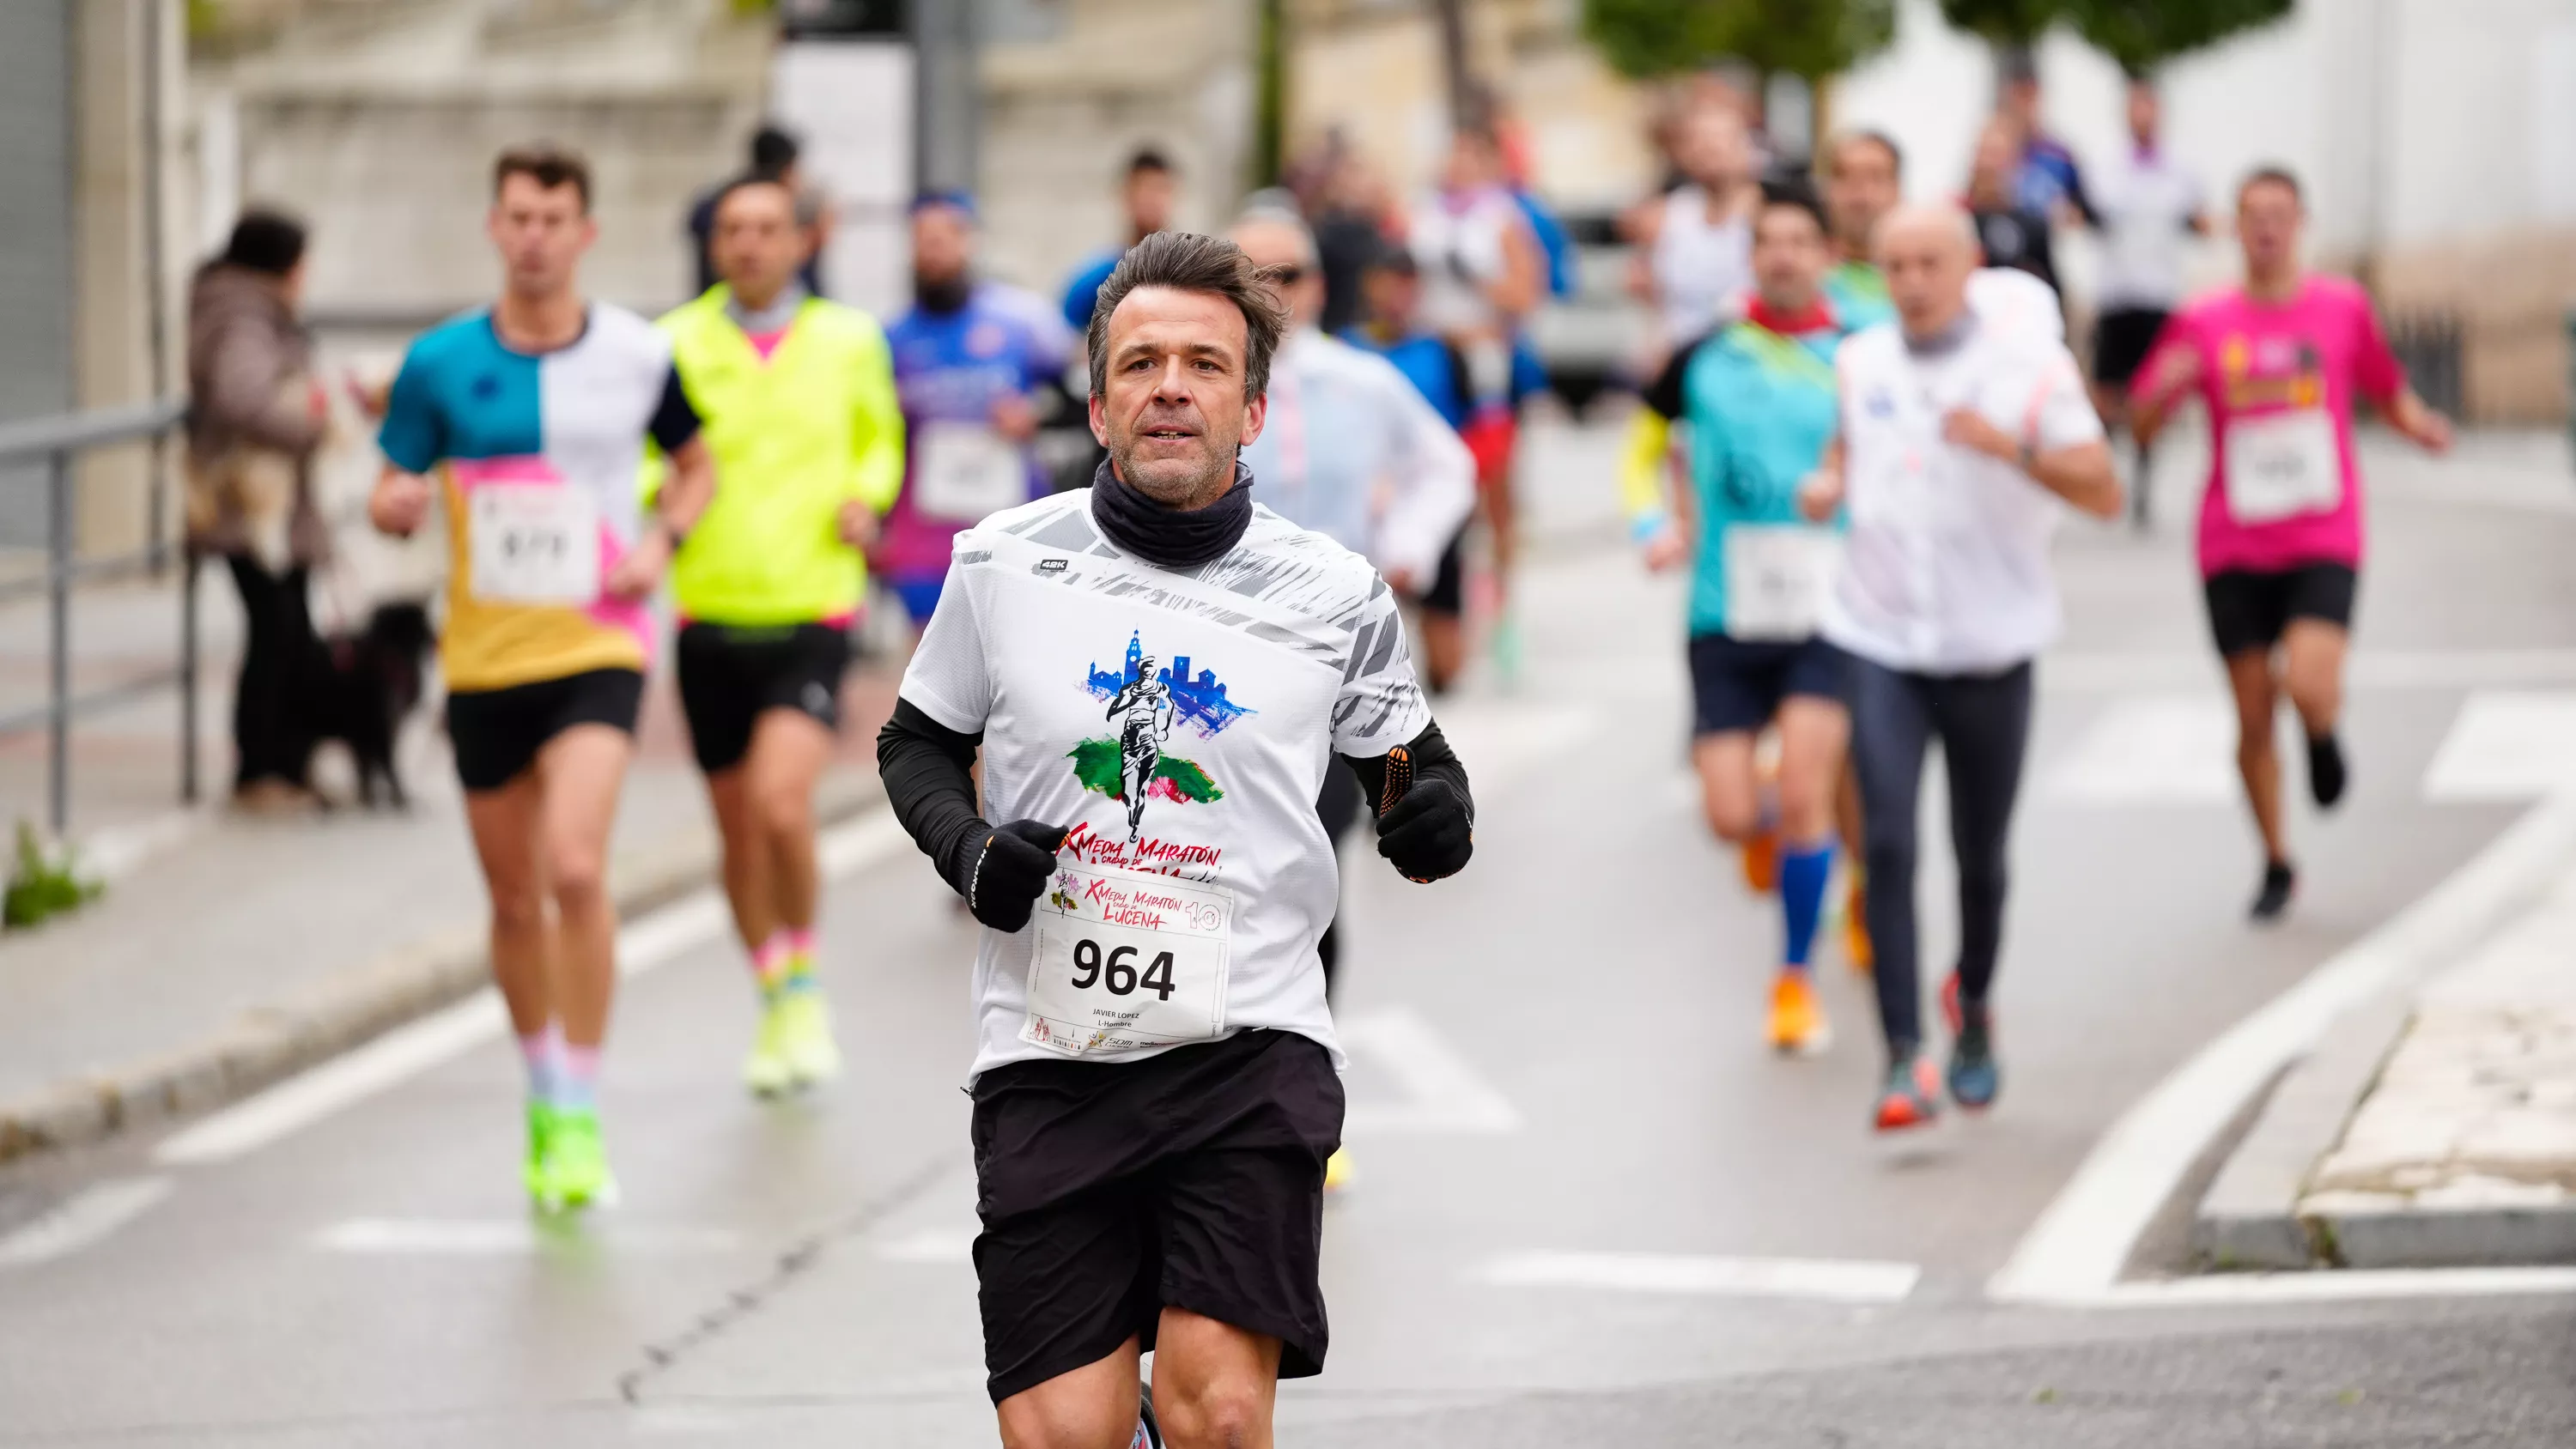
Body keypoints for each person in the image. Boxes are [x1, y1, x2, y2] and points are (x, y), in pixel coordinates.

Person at [874, 229, 1475, 1449]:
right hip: (1051, 1045)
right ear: (1097, 404)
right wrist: (973, 855)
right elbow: (915, 745)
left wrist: (1435, 820)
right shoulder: (1004, 563)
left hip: (1246, 1047)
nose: (1170, 386)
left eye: (1205, 364)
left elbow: (1413, 768)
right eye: (1141, 362)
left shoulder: (1334, 595)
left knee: (1217, 1412)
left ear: (1252, 406)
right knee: (1061, 1437)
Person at [370, 144, 716, 1210]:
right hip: (481, 659)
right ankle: (540, 1080)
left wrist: (661, 542)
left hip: (597, 645)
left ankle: (578, 1103)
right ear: (494, 226)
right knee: (515, 898)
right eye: (517, 217)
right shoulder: (437, 363)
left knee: (574, 867)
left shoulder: (635, 351)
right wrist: (395, 504)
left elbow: (695, 463)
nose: (534, 236)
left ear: (585, 232)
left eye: (553, 218)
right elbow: (393, 475)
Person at [1801, 204, 2121, 1131]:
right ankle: (1903, 1055)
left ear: (1969, 265)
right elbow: (1843, 455)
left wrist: (2013, 447)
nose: (1910, 281)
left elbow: (2105, 489)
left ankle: (1972, 1004)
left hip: (1991, 644)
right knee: (1889, 844)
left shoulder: (2029, 369)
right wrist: (1826, 484)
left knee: (1979, 856)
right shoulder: (1862, 362)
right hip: (1881, 639)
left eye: (1929, 263)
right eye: (1894, 264)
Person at [2129, 167, 2452, 921]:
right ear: (2235, 229)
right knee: (2250, 714)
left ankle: (2321, 729)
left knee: (2308, 681)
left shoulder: (2341, 306)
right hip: (2233, 543)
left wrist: (2420, 426)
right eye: (2252, 216)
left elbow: (2384, 385)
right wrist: (2161, 392)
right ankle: (2276, 858)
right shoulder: (2202, 322)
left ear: (2301, 222)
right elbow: (2141, 427)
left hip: (2321, 529)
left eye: (2280, 215)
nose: (2267, 229)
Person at [654, 173, 905, 1094]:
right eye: (733, 230)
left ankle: (802, 977)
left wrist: (866, 498)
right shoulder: (674, 341)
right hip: (709, 608)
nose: (750, 244)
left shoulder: (849, 338)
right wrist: (655, 505)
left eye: (767, 228)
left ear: (801, 240)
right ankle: (770, 993)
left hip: (813, 603)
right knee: (735, 832)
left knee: (779, 804)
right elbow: (650, 456)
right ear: (715, 245)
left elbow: (880, 439)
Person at [1622, 183, 1853, 1055]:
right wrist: (1653, 521)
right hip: (1724, 611)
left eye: (1803, 240)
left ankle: (1793, 978)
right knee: (1728, 814)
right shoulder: (1705, 356)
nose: (1787, 256)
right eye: (1772, 242)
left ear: (1826, 253)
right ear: (1753, 256)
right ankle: (1780, 847)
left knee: (1803, 793)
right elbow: (1640, 451)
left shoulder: (1860, 357)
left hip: (1829, 613)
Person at [184, 209, 332, 813]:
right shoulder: (244, 315)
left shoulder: (239, 307)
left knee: (289, 633)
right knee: (278, 636)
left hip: (259, 512)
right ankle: (262, 772)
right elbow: (240, 396)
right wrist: (310, 427)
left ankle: (284, 769)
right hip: (250, 512)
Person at [877, 192, 1076, 628]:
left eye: (944, 237)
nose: (932, 250)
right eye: (921, 239)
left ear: (970, 241)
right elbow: (874, 438)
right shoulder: (891, 338)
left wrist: (1033, 416)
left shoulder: (1021, 322)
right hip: (923, 536)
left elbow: (1081, 397)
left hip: (1009, 524)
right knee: (931, 671)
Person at [1410, 125, 1543, 672]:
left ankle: (1504, 612)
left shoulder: (1501, 218)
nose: (1458, 166)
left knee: (1494, 495)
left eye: (1470, 157)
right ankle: (1449, 612)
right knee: (1441, 485)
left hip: (1487, 365)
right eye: (1453, 154)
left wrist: (1479, 278)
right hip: (1435, 364)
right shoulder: (1423, 214)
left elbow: (1526, 294)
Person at [1343, 246, 1478, 694]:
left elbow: (1474, 430)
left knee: (1447, 664)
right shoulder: (1345, 352)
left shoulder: (1444, 351)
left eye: (1406, 285)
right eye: (1388, 283)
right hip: (1368, 507)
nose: (1397, 295)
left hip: (1432, 504)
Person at [2087, 76, 2211, 527]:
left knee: (2150, 395)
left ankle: (2140, 480)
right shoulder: (2105, 164)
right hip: (2116, 291)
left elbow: (2196, 217)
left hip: (2158, 292)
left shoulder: (2180, 167)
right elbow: (2090, 214)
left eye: (2149, 109)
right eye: (2135, 109)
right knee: (2106, 394)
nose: (2143, 118)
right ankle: (2105, 466)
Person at [1644, 104, 1762, 349]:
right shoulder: (1666, 215)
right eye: (1698, 139)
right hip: (1678, 354)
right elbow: (1654, 302)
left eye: (1720, 138)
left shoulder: (1770, 213)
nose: (1709, 148)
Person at [687, 125, 831, 298]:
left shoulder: (716, 200)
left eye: (767, 231)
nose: (747, 247)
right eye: (733, 230)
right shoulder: (789, 201)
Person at [1060, 148, 1180, 335]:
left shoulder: (1186, 270)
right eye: (1143, 189)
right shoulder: (1098, 275)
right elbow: (1065, 337)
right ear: (1125, 195)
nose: (1152, 200)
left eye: (1160, 189)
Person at [1966, 118, 2060, 295]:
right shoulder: (1956, 217)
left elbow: (2052, 287)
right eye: (1982, 153)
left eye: (1996, 155)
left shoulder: (2033, 224)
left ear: (2015, 161)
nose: (1988, 165)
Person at [1819, 130, 1901, 330]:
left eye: (1875, 177)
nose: (1860, 193)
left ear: (1897, 189)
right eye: (1844, 176)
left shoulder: (1923, 279)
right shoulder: (1801, 277)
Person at [2000, 62, 2092, 222]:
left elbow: (2084, 210)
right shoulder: (1993, 151)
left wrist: (2071, 215)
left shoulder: (2059, 154)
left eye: (2029, 95)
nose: (2023, 105)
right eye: (2019, 96)